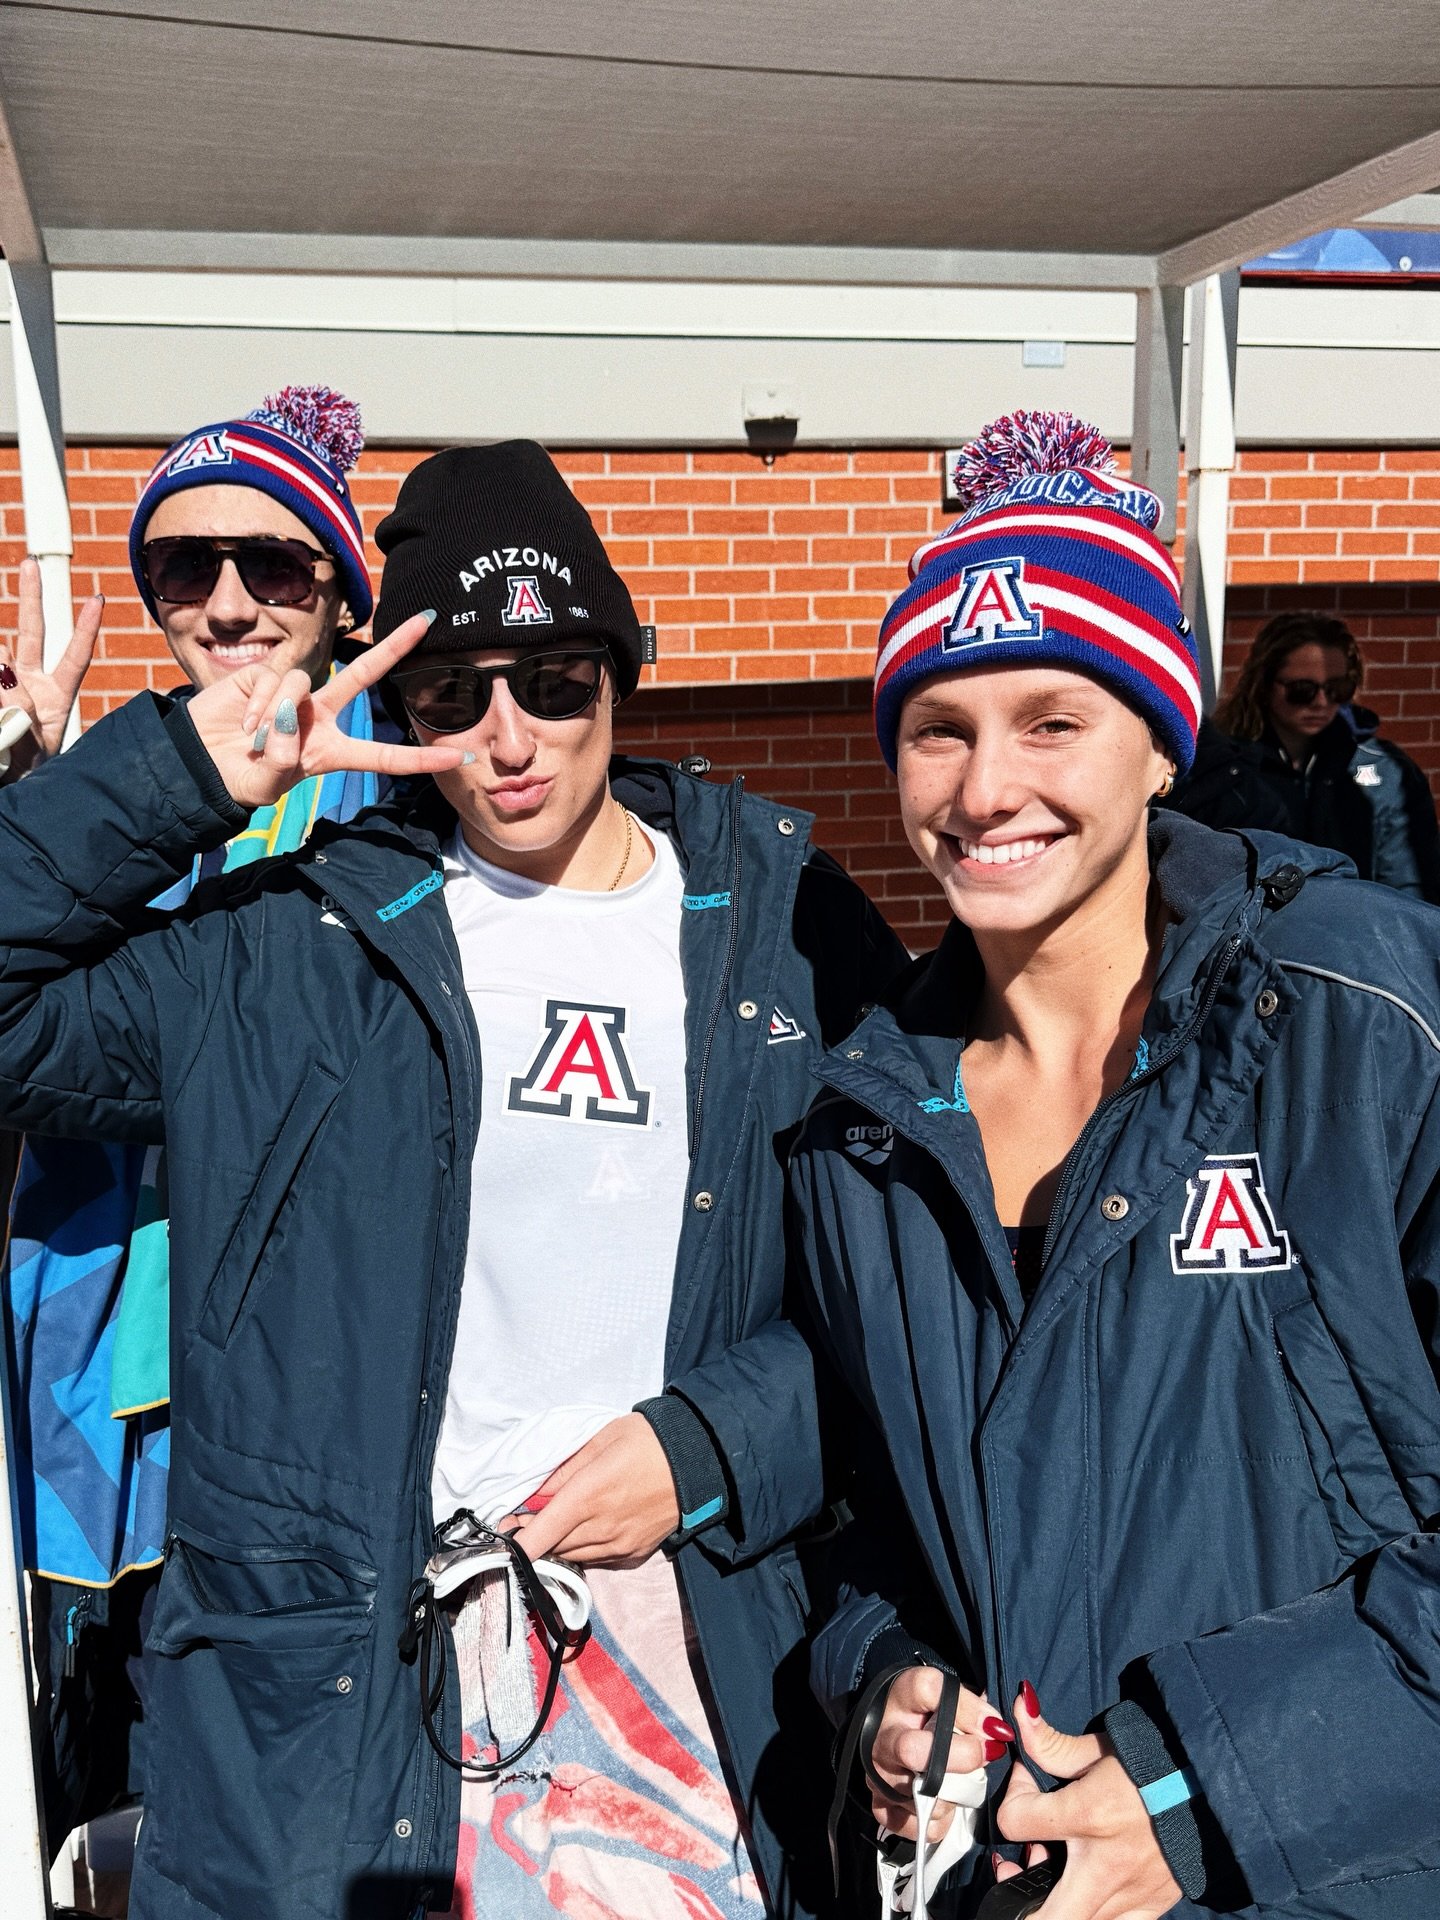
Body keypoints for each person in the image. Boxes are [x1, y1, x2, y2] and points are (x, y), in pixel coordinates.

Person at [0, 439, 904, 1920]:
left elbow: (917, 1291)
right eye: (451, 693)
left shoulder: (785, 924)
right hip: (340, 1689)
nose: (509, 736)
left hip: (684, 1649)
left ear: (620, 669)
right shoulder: (290, 941)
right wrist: (173, 775)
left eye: (554, 679)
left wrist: (717, 1443)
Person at [788, 411, 1440, 1919]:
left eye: (1054, 719)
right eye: (939, 727)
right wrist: (886, 1679)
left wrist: (1199, 1789)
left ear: (1161, 740)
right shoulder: (868, 1127)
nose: (986, 785)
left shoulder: (1369, 1019)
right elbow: (872, 1520)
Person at [4, 384, 385, 1848]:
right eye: (186, 568)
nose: (228, 606)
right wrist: (24, 785)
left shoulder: (388, 809)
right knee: (96, 1831)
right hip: (87, 1404)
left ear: (345, 594)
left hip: (284, 1424)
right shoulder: (106, 785)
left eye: (276, 567)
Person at [1169, 609, 1440, 902]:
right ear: (1264, 683)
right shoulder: (1223, 768)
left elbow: (1412, 892)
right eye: (1302, 690)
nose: (1321, 702)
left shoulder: (1385, 772)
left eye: (1337, 689)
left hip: (1359, 935)